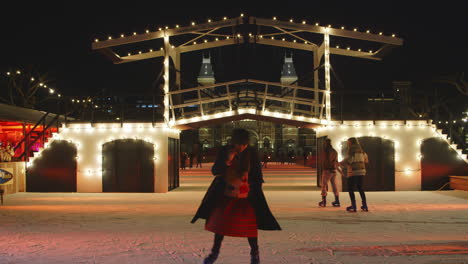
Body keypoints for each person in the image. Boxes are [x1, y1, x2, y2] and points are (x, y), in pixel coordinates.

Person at [191, 128, 281, 264]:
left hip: (245, 197)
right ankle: (214, 252)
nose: (241, 147)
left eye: (243, 144)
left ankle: (254, 253)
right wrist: (227, 161)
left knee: (249, 227)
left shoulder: (251, 153)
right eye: (238, 144)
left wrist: (252, 188)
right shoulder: (225, 151)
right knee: (220, 224)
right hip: (226, 194)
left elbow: (257, 176)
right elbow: (215, 171)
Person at [339, 137, 369, 212]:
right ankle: (364, 205)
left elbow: (350, 160)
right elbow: (366, 160)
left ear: (351, 142)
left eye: (348, 142)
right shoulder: (361, 150)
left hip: (354, 171)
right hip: (362, 170)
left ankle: (353, 205)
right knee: (360, 188)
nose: (348, 144)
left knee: (350, 188)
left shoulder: (352, 149)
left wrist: (341, 163)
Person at [318, 139, 340, 207]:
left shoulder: (325, 151)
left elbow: (325, 161)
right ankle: (337, 200)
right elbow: (336, 161)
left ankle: (324, 201)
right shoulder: (334, 151)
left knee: (324, 185)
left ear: (325, 143)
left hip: (327, 170)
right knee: (334, 185)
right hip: (333, 170)